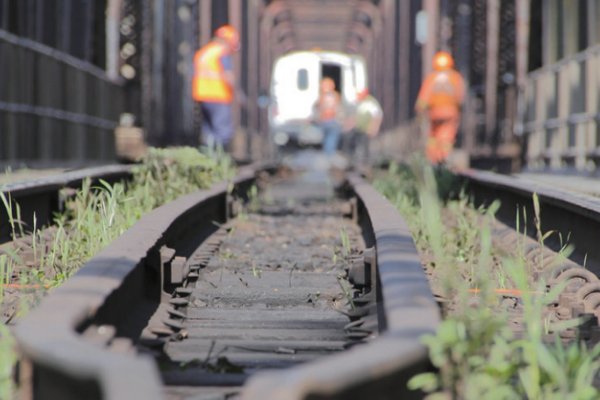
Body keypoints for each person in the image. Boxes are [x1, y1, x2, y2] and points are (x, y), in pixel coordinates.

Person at [193, 25, 243, 149]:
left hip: (202, 95)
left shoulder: (204, 52)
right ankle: (219, 158)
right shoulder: (221, 52)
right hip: (218, 95)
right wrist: (239, 93)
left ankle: (208, 157)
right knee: (223, 131)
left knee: (209, 132)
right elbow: (228, 75)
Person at [415, 51, 465, 164]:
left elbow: (423, 98)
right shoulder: (455, 77)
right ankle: (445, 160)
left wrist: (420, 111)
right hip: (450, 112)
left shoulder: (432, 78)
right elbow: (460, 98)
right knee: (447, 137)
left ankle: (433, 161)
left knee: (433, 137)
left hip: (435, 112)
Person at [346, 88, 383, 161]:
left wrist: (374, 127)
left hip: (366, 129)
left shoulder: (370, 102)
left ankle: (365, 162)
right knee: (350, 141)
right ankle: (352, 160)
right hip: (359, 128)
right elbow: (357, 115)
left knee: (365, 146)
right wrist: (349, 124)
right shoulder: (359, 102)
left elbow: (377, 116)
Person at [313, 78, 343, 158]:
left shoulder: (322, 97)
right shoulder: (335, 96)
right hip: (331, 120)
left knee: (327, 137)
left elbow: (318, 108)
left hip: (325, 120)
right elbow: (339, 108)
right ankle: (329, 154)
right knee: (331, 137)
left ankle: (327, 153)